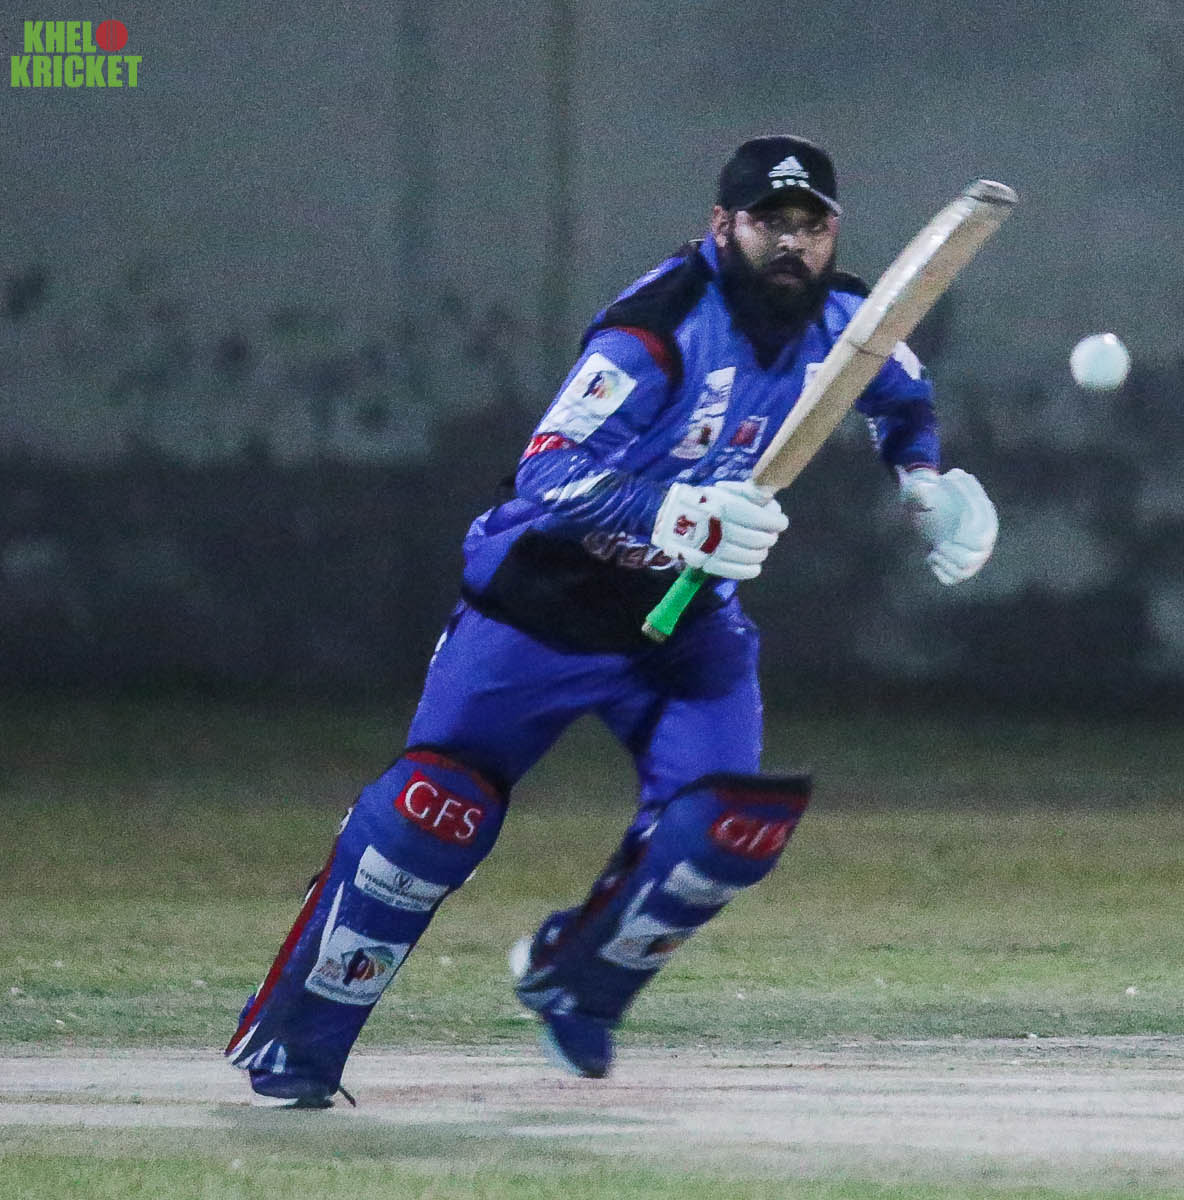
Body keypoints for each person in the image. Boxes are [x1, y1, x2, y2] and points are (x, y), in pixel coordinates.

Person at [225, 134, 999, 1106]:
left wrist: (924, 485)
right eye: (770, 222)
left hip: (683, 622)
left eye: (812, 225)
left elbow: (899, 396)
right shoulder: (658, 328)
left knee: (727, 826)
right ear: (722, 225)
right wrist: (672, 512)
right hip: (538, 607)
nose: (792, 243)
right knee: (428, 817)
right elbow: (547, 473)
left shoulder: (847, 319)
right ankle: (294, 1045)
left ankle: (576, 984)